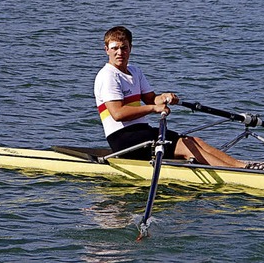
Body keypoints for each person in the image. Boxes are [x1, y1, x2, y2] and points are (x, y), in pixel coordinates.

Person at [93, 26, 247, 168]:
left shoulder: (135, 71)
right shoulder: (108, 76)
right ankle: (237, 174)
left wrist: (164, 97)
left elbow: (150, 99)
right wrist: (154, 108)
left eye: (124, 48)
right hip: (123, 140)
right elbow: (118, 114)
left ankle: (242, 166)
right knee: (187, 148)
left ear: (130, 48)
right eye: (115, 48)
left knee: (194, 141)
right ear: (106, 50)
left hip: (142, 131)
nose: (120, 53)